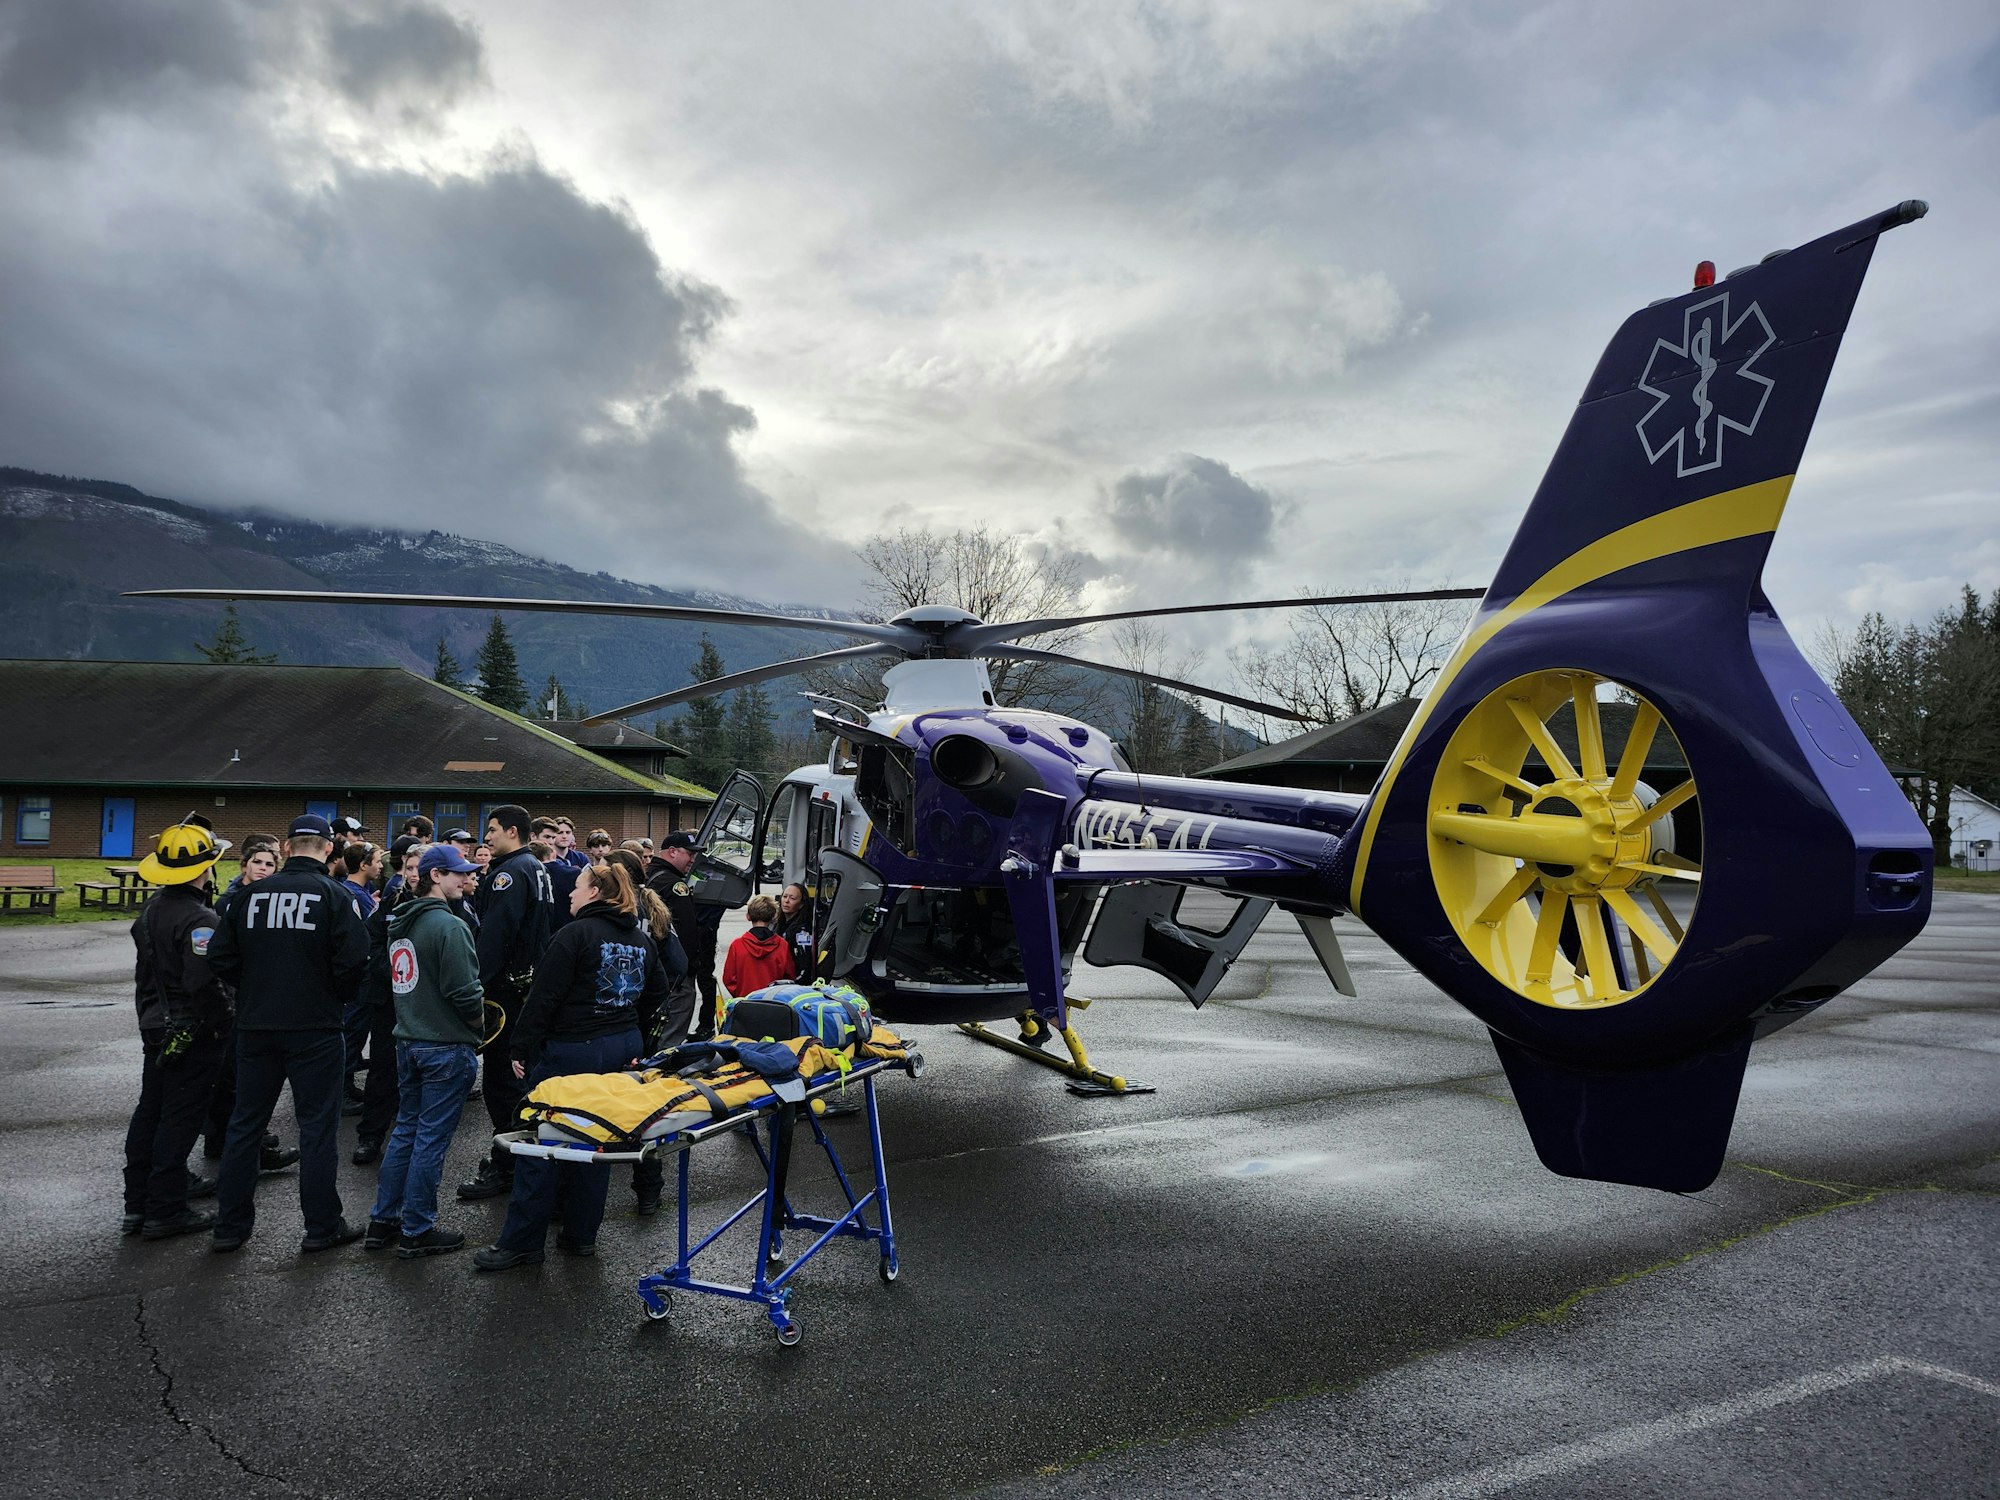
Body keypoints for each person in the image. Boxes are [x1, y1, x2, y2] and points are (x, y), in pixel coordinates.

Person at [474, 861, 668, 1271]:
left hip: (571, 1050)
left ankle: (522, 1242)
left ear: (596, 892)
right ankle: (580, 1235)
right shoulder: (639, 938)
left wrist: (519, 1049)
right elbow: (660, 990)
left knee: (541, 1142)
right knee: (596, 1140)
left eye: (577, 887)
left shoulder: (574, 934)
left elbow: (543, 998)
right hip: (618, 1047)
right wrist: (635, 1033)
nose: (569, 894)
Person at [205, 814, 372, 1254]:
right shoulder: (334, 895)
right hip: (315, 1026)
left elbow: (220, 957)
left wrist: (257, 985)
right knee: (317, 1127)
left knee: (245, 1125)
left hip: (257, 1023)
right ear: (329, 849)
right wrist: (331, 992)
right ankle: (321, 1225)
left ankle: (230, 1226)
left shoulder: (249, 895)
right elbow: (356, 959)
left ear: (285, 846)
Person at [365, 843, 485, 1258]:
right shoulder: (450, 927)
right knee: (429, 1139)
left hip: (409, 1040)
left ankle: (383, 1221)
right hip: (443, 1044)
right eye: (458, 874)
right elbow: (465, 993)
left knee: (406, 1132)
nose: (466, 880)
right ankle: (416, 1229)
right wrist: (478, 1027)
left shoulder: (400, 921)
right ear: (436, 876)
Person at [122, 820, 235, 1240]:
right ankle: (166, 1208)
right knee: (179, 1119)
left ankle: (137, 1203)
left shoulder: (151, 910)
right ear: (206, 867)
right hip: (191, 1032)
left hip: (154, 1026)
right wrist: (223, 1024)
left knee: (149, 1111)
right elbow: (203, 983)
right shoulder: (200, 919)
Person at [457, 805, 554, 1202]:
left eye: (493, 830)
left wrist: (473, 987)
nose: (488, 837)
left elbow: (496, 937)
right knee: (516, 1079)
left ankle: (509, 1163)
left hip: (507, 990)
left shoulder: (509, 873)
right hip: (527, 985)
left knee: (503, 1082)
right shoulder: (535, 866)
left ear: (512, 831)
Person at [352, 838, 428, 1165]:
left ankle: (414, 1139)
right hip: (389, 1001)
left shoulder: (450, 904)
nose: (413, 874)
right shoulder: (392, 901)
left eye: (419, 869)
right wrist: (391, 971)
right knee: (382, 1070)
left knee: (422, 1073)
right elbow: (372, 938)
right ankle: (371, 1135)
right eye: (408, 868)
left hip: (427, 1005)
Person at [647, 832, 721, 1038]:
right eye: (689, 854)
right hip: (676, 971)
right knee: (672, 1030)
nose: (692, 860)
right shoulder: (675, 885)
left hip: (654, 965)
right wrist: (693, 965)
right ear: (672, 852)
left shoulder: (650, 876)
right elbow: (686, 931)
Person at [722, 894, 794, 1000]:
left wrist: (741, 994)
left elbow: (728, 978)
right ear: (774, 917)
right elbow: (789, 977)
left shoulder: (737, 945)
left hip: (745, 1003)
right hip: (774, 1004)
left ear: (748, 916)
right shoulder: (782, 945)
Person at [774, 882, 814, 976]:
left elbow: (805, 964)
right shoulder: (778, 924)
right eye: (784, 896)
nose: (786, 901)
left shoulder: (803, 932)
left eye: (792, 898)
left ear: (801, 904)